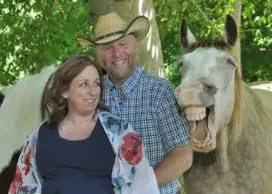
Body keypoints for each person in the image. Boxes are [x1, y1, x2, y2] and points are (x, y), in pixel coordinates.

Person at [77, 12, 193, 194]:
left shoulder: (160, 92)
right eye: (107, 47)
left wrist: (138, 188)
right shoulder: (92, 96)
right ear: (98, 54)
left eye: (123, 44)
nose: (116, 54)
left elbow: (183, 155)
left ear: (135, 45)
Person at [8, 55, 159, 194]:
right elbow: (22, 186)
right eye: (84, 84)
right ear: (64, 91)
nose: (93, 92)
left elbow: (144, 185)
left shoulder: (120, 132)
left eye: (97, 84)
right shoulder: (40, 135)